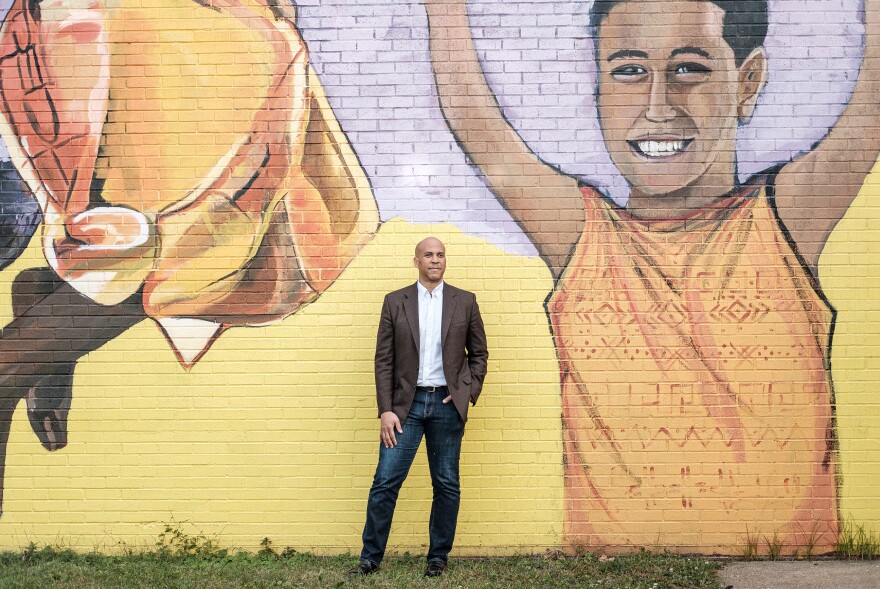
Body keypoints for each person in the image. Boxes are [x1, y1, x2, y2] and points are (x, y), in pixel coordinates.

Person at [425, 0, 880, 552]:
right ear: (598, 88)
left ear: (748, 82)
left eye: (690, 68)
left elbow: (871, 107)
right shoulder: (582, 235)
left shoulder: (784, 217)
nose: (657, 105)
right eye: (629, 70)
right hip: (613, 568)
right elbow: (478, 124)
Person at [0, 0, 378, 514]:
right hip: (177, 37)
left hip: (127, 31)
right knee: (196, 237)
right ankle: (32, 344)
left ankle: (52, 315)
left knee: (182, 238)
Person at [351, 236, 488, 577]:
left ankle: (437, 557)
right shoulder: (395, 302)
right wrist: (386, 409)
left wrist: (464, 391)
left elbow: (479, 355)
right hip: (404, 409)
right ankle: (370, 557)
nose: (435, 260)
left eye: (440, 255)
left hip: (445, 405)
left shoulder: (465, 302)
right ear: (416, 261)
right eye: (428, 255)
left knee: (445, 483)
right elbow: (384, 360)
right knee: (385, 480)